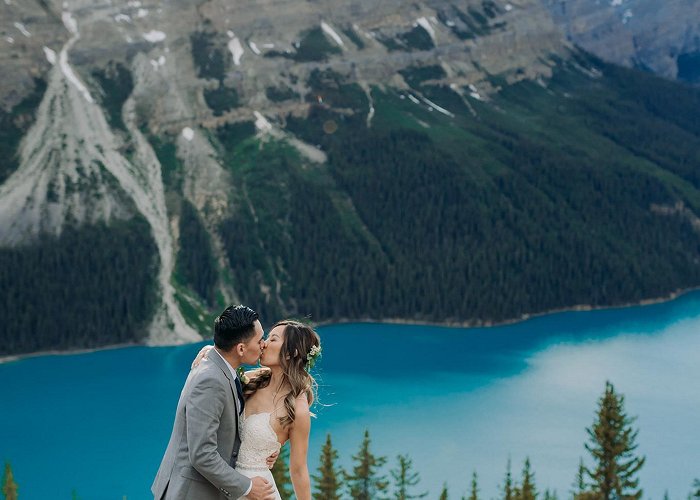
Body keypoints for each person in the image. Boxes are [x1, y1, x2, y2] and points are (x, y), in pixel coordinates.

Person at [151, 305, 277, 500]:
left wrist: (260, 450)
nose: (264, 344)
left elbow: (227, 432)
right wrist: (248, 487)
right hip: (189, 493)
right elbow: (201, 454)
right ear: (241, 348)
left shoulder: (218, 363)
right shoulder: (211, 381)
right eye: (260, 340)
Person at [193, 319, 321, 500]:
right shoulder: (252, 379)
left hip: (259, 493)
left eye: (273, 339)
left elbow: (299, 471)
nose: (264, 343)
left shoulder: (297, 409)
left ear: (290, 353)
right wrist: (211, 351)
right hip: (223, 485)